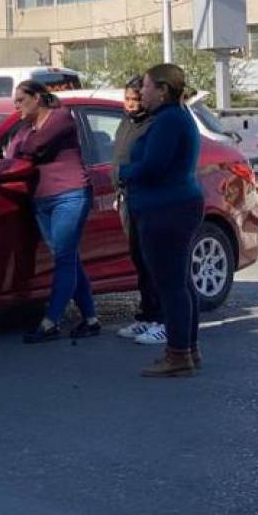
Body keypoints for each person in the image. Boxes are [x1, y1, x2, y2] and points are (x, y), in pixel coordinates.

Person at [119, 64, 204, 377]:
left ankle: (178, 355)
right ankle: (188, 349)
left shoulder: (169, 120)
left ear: (163, 90)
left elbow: (153, 166)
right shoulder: (175, 117)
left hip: (165, 208)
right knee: (180, 282)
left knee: (170, 285)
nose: (141, 93)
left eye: (146, 87)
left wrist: (123, 173)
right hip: (175, 204)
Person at [2, 80, 99, 343]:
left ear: (38, 98)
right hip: (41, 199)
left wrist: (22, 147)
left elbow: (32, 149)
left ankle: (50, 322)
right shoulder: (26, 128)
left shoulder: (61, 118)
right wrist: (20, 146)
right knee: (68, 258)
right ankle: (91, 319)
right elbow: (11, 156)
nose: (16, 106)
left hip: (70, 195)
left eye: (21, 100)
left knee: (64, 258)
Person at [112, 76, 165, 345]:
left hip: (147, 199)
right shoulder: (126, 122)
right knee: (138, 258)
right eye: (128, 99)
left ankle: (161, 318)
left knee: (152, 260)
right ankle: (146, 315)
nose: (131, 104)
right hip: (128, 198)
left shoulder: (154, 124)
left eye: (136, 99)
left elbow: (151, 164)